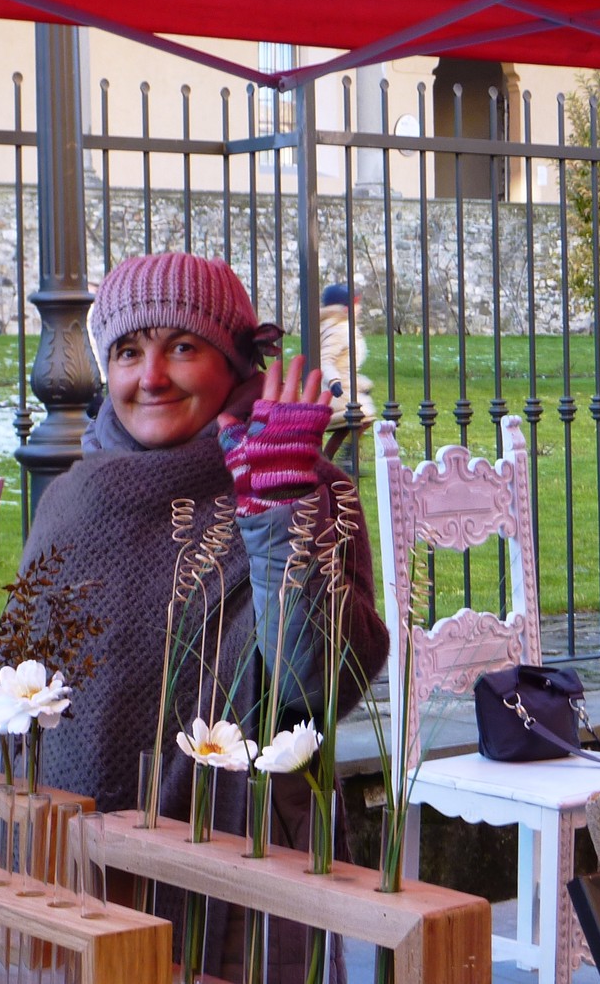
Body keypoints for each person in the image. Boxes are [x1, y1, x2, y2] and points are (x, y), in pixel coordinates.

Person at [24, 252, 389, 977]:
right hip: (88, 876)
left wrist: (281, 511)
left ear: (235, 361)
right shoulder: (73, 499)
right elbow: (28, 690)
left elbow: (314, 686)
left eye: (182, 347)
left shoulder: (315, 487)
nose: (149, 376)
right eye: (127, 351)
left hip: (243, 874)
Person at [318, 283, 376, 424]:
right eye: (356, 304)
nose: (360, 308)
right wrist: (333, 381)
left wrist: (362, 384)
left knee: (364, 415)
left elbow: (344, 367)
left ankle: (349, 445)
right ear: (345, 308)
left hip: (344, 389)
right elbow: (325, 361)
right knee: (361, 414)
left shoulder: (345, 327)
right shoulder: (338, 329)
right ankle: (349, 445)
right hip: (335, 394)